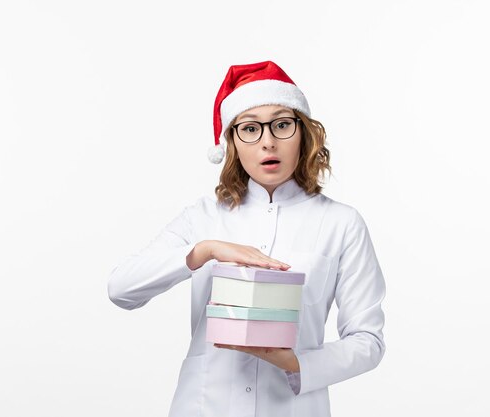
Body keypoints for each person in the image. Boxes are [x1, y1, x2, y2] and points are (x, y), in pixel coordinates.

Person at [107, 60, 386, 417]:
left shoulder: (341, 223)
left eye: (282, 125)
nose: (268, 142)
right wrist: (204, 251)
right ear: (233, 143)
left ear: (304, 133)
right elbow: (120, 289)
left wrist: (296, 362)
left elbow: (368, 342)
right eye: (250, 129)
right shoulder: (203, 217)